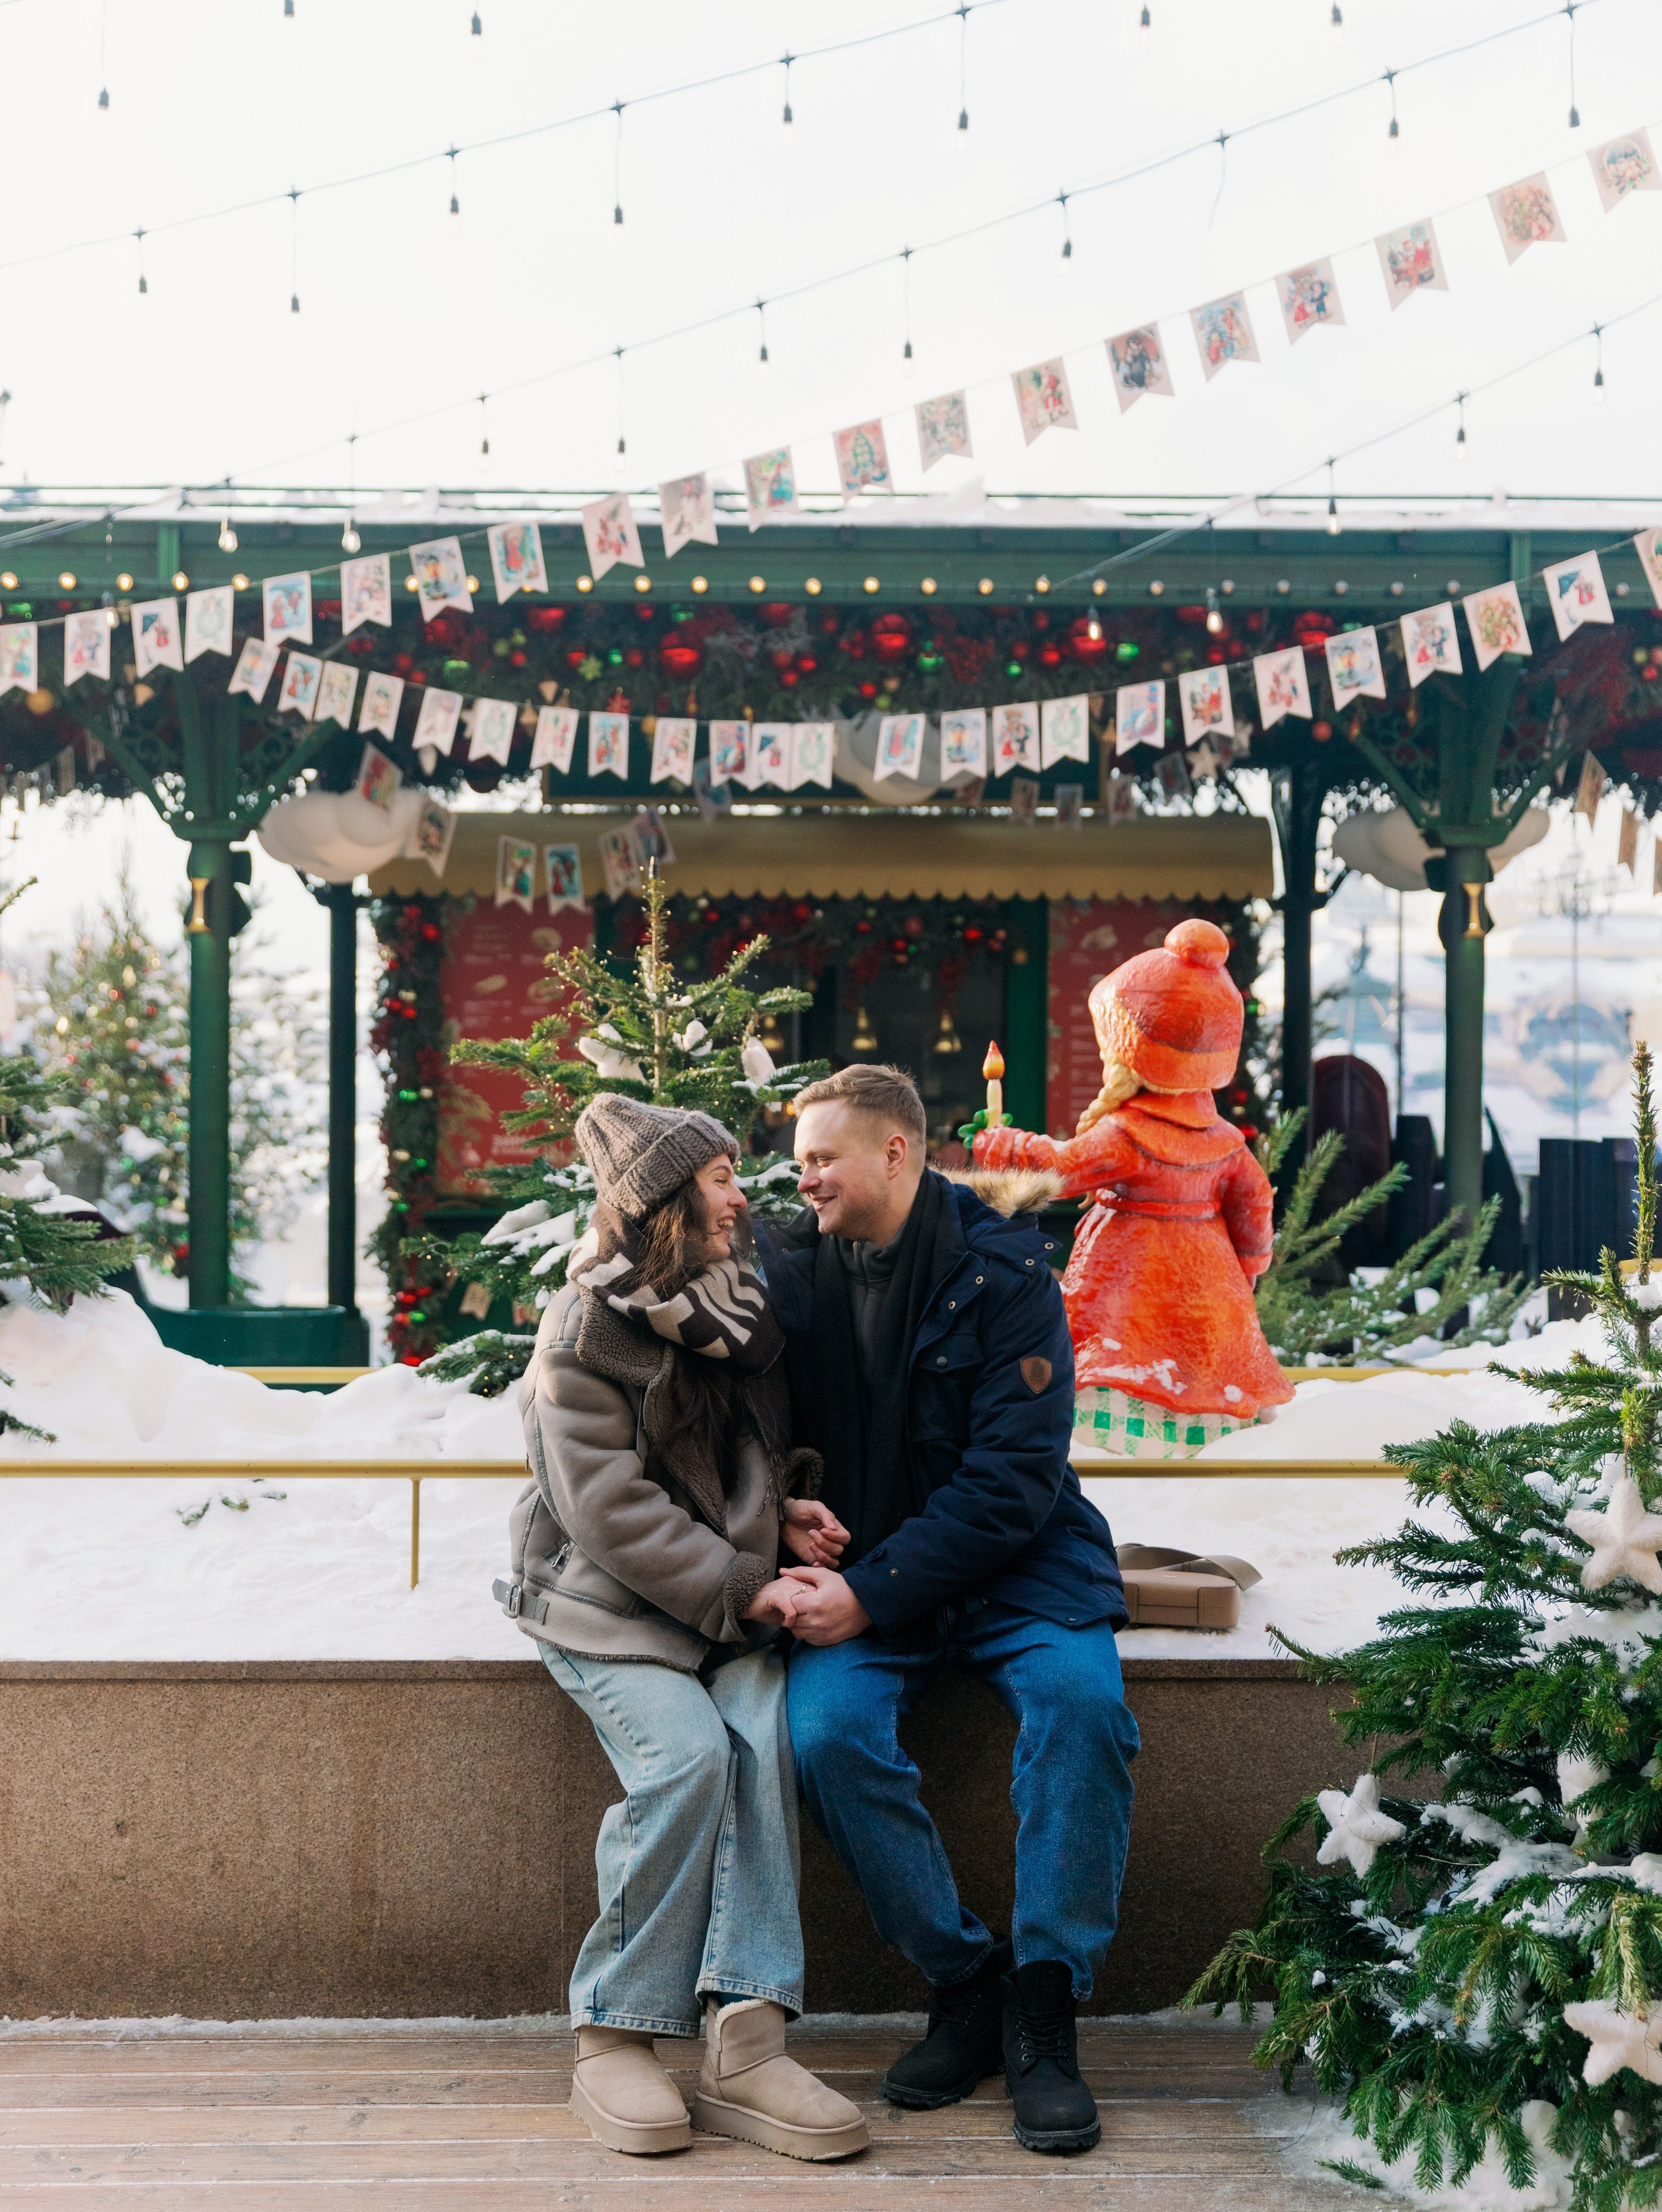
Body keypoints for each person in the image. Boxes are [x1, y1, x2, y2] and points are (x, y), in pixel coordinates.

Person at [755, 1064, 1138, 2158]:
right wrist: (778, 1504)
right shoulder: (785, 1268)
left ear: (898, 1153)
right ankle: (968, 1980)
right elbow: (732, 1423)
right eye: (801, 1158)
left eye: (825, 1155)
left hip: (1017, 1568)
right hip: (867, 1570)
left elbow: (1014, 1482)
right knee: (824, 1733)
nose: (806, 1175)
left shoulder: (1009, 1272)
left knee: (1082, 1710)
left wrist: (868, 1594)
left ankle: (1046, 2001)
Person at [497, 1093, 869, 2165]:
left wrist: (785, 1508)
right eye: (717, 1176)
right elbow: (607, 1507)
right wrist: (746, 1586)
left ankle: (749, 2039)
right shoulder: (583, 1330)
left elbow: (739, 1458)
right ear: (663, 1198)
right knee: (689, 1758)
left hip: (714, 1594)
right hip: (600, 1602)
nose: (740, 1190)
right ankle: (614, 2028)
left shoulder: (730, 1310)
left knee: (760, 1746)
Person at [972, 918, 1291, 1456]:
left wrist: (1002, 1147)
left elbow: (1062, 1171)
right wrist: (1251, 1265)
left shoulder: (1126, 1135)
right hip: (1214, 1288)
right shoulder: (1228, 1142)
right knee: (1206, 1378)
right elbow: (1256, 1201)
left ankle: (1127, 1471)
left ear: (1132, 1053)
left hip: (1128, 1287)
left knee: (1121, 1375)